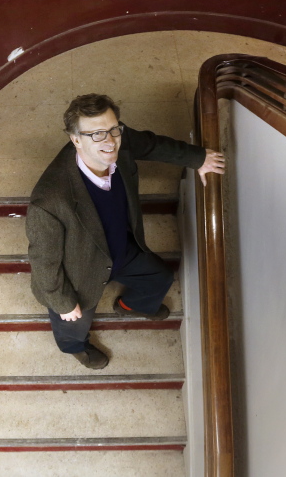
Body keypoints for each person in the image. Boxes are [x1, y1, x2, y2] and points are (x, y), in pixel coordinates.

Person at [26, 93, 226, 369]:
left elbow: (153, 145)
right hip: (81, 271)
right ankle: (75, 347)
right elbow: (44, 263)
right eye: (96, 134)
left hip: (123, 247)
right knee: (72, 324)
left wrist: (198, 158)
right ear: (75, 140)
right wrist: (62, 302)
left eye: (113, 130)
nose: (109, 141)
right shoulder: (49, 201)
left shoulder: (120, 139)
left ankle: (132, 305)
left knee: (161, 277)